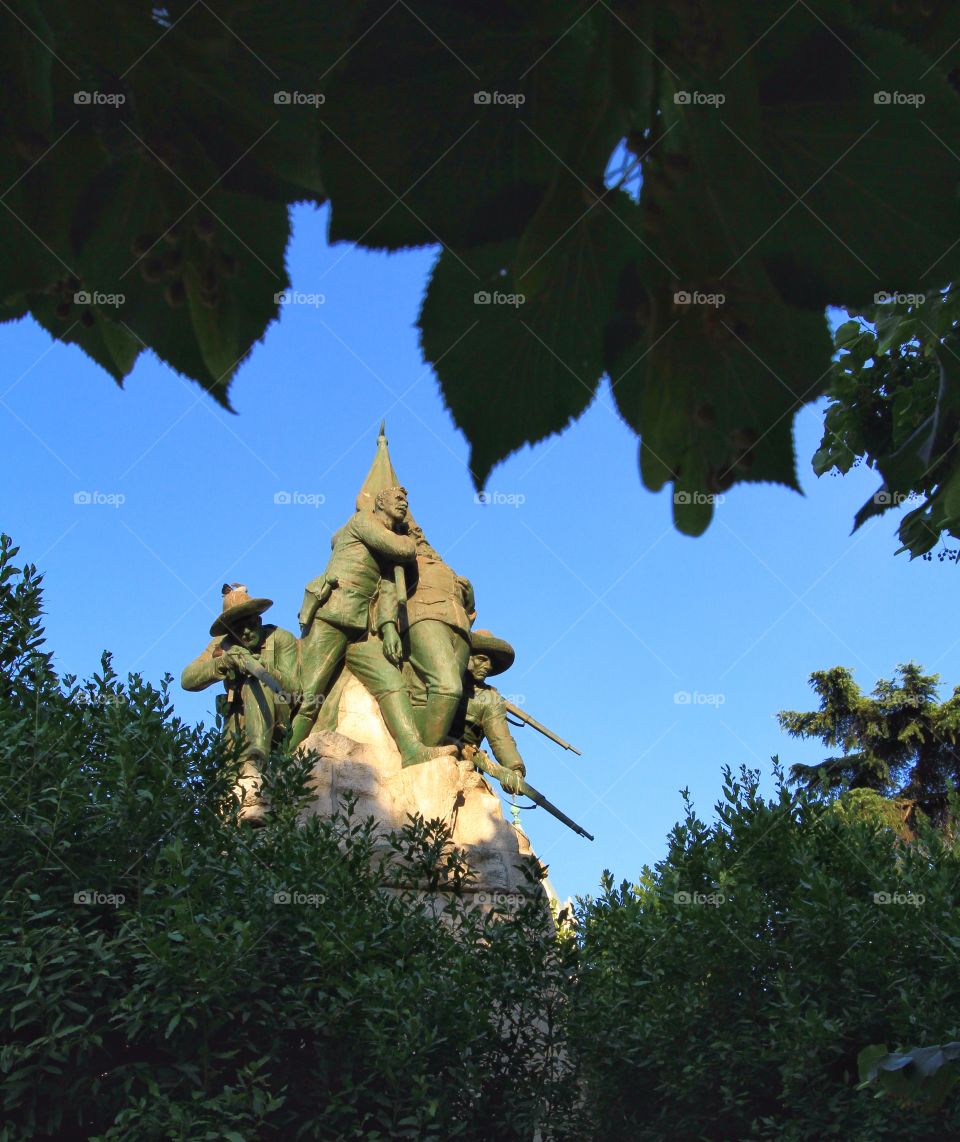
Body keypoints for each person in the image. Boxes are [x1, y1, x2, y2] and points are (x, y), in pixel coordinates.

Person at [289, 485, 457, 767]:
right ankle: (279, 764)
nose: (404, 504)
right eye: (398, 499)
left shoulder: (385, 545)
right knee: (309, 697)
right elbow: (401, 548)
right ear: (380, 502)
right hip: (335, 616)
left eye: (406, 500)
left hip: (363, 628)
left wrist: (389, 628)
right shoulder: (364, 521)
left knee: (392, 683)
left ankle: (412, 751)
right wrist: (408, 539)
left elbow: (390, 589)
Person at [182, 583, 298, 825]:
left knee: (257, 683)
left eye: (251, 624)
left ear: (259, 619)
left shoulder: (281, 638)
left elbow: (295, 689)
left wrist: (260, 667)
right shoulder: (223, 646)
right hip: (237, 724)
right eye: (237, 629)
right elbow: (188, 679)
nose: (245, 633)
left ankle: (255, 773)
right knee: (226, 779)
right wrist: (224, 663)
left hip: (279, 715)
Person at [402, 522, 475, 746]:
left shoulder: (446, 567)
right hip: (423, 617)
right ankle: (427, 752)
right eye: (412, 533)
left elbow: (472, 610)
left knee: (430, 692)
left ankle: (430, 741)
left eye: (420, 533)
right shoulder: (403, 559)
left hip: (459, 627)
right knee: (447, 686)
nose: (420, 537)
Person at [452, 629, 526, 793]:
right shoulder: (440, 681)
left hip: (461, 763)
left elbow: (502, 740)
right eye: (482, 659)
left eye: (490, 662)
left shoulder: (490, 700)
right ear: (466, 656)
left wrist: (515, 770)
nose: (488, 666)